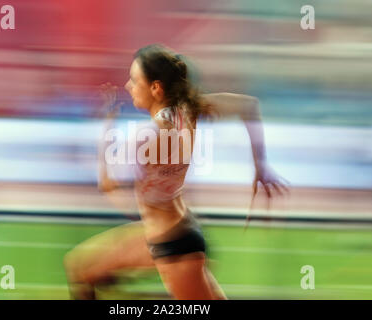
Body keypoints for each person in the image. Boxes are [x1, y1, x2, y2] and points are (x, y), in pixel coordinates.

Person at [64, 44, 289, 300]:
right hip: (180, 234)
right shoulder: (188, 111)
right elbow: (249, 106)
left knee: (82, 273)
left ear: (156, 88)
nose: (128, 86)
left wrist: (106, 126)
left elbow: (108, 186)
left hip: (170, 248)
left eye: (135, 80)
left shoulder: (143, 138)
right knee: (81, 269)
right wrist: (261, 167)